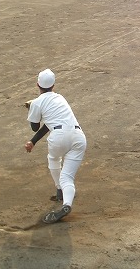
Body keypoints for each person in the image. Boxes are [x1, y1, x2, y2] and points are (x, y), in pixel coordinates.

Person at [24, 68, 87, 224]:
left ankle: (59, 189)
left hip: (58, 138)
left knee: (54, 158)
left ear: (37, 84)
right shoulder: (60, 98)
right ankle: (66, 203)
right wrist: (33, 141)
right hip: (79, 137)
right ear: (53, 85)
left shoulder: (37, 103)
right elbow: (50, 122)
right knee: (68, 177)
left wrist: (32, 108)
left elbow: (35, 126)